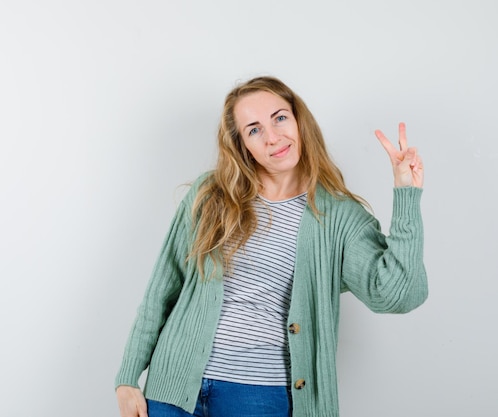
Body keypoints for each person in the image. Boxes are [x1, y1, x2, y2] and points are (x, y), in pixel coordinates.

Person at [114, 76, 427, 417]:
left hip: (260, 394)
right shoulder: (212, 195)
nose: (273, 137)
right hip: (172, 387)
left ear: (298, 120)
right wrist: (128, 377)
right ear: (242, 145)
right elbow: (162, 289)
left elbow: (399, 294)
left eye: (279, 118)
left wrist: (406, 194)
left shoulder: (337, 216)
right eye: (254, 129)